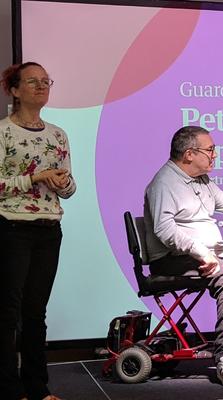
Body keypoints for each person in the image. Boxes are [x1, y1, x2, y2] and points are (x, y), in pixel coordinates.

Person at [143, 126, 223, 387]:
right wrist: (202, 253)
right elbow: (164, 229)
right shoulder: (164, 183)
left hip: (209, 256)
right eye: (210, 150)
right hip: (175, 258)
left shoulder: (202, 181)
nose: (215, 155)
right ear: (189, 154)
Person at [0, 62, 75, 400]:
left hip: (49, 229)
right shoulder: (3, 132)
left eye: (46, 81)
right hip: (11, 228)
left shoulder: (57, 134)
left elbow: (69, 188)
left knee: (36, 313)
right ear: (14, 90)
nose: (42, 86)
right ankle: (10, 389)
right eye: (33, 81)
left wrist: (62, 182)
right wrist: (35, 177)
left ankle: (38, 388)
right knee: (7, 313)